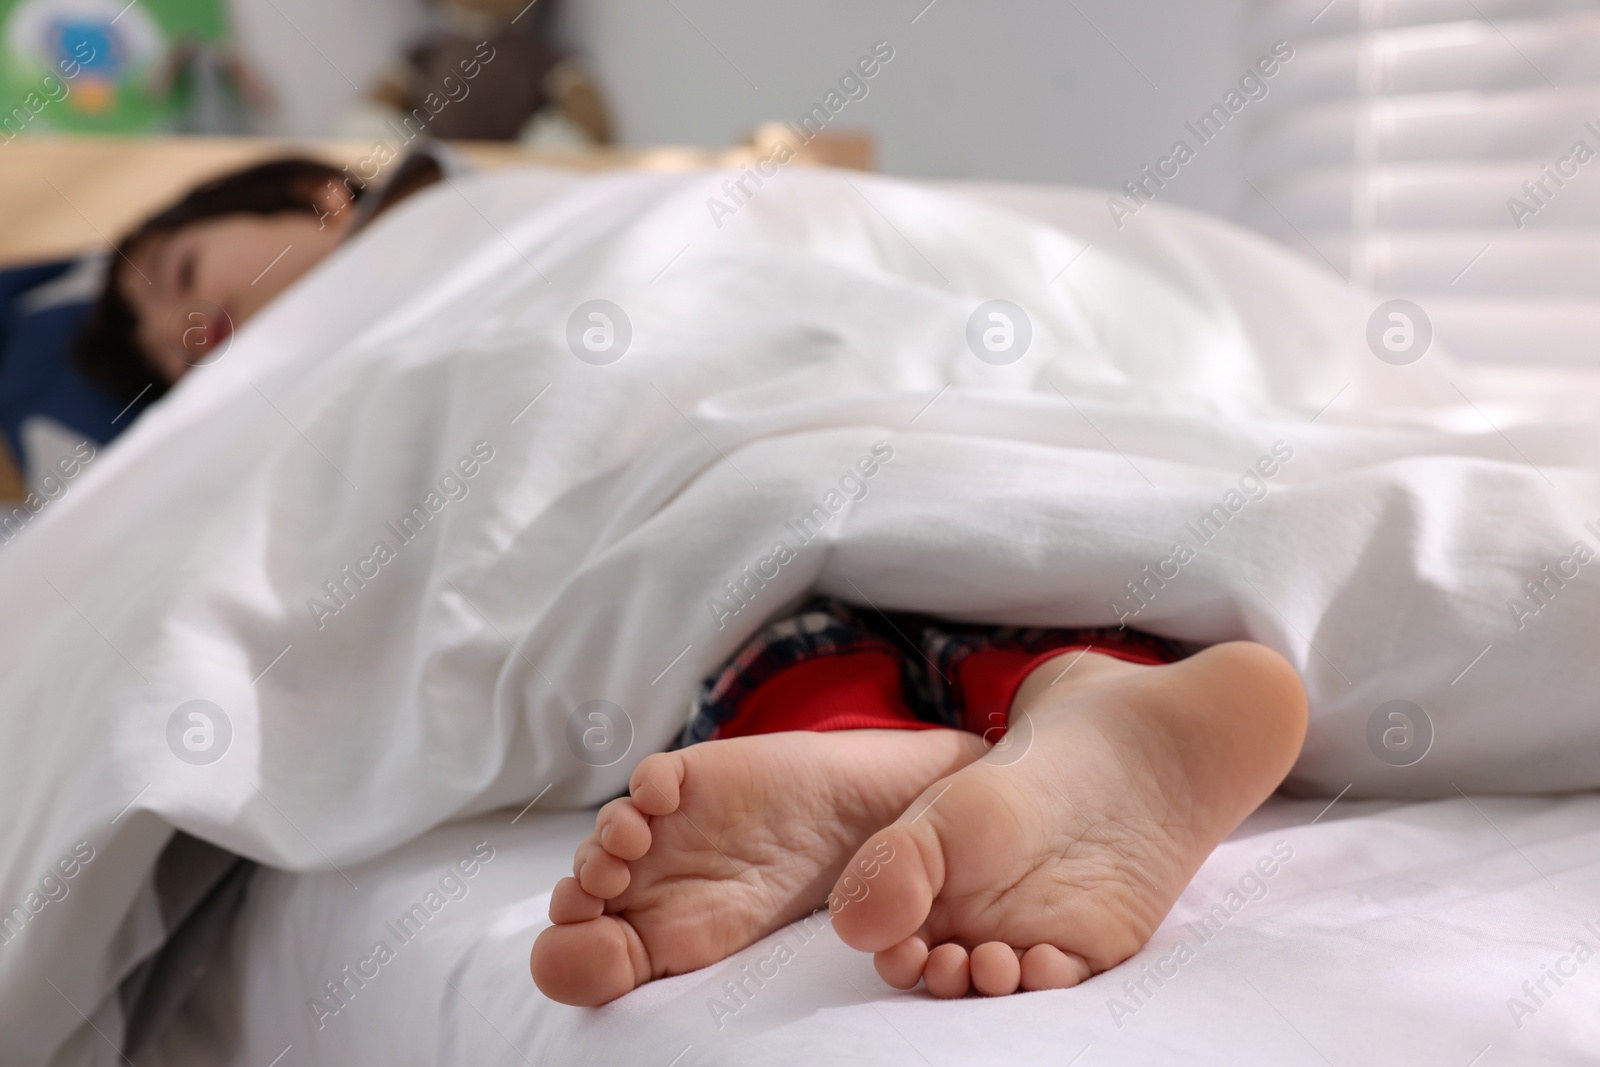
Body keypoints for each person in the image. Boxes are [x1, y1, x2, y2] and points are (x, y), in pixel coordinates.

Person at [531, 599, 1307, 1002]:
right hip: (1057, 594)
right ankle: (1087, 690)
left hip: (802, 596)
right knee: (1029, 647)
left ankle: (852, 740)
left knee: (796, 658)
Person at [74, 150, 453, 404]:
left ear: (318, 199)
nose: (181, 333)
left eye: (184, 273)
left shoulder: (445, 212)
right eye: (182, 364)